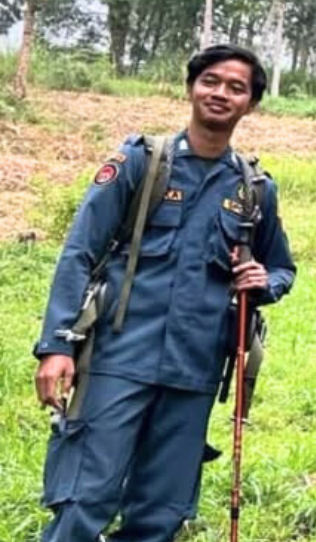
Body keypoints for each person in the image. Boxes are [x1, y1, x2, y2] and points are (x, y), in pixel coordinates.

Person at [32, 44, 296, 542]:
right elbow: (80, 252)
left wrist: (265, 281)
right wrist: (56, 346)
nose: (221, 93)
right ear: (191, 88)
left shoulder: (254, 188)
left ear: (251, 104)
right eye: (211, 81)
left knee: (161, 513)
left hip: (193, 372)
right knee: (84, 500)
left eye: (236, 87)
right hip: (118, 358)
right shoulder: (142, 162)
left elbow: (281, 267)